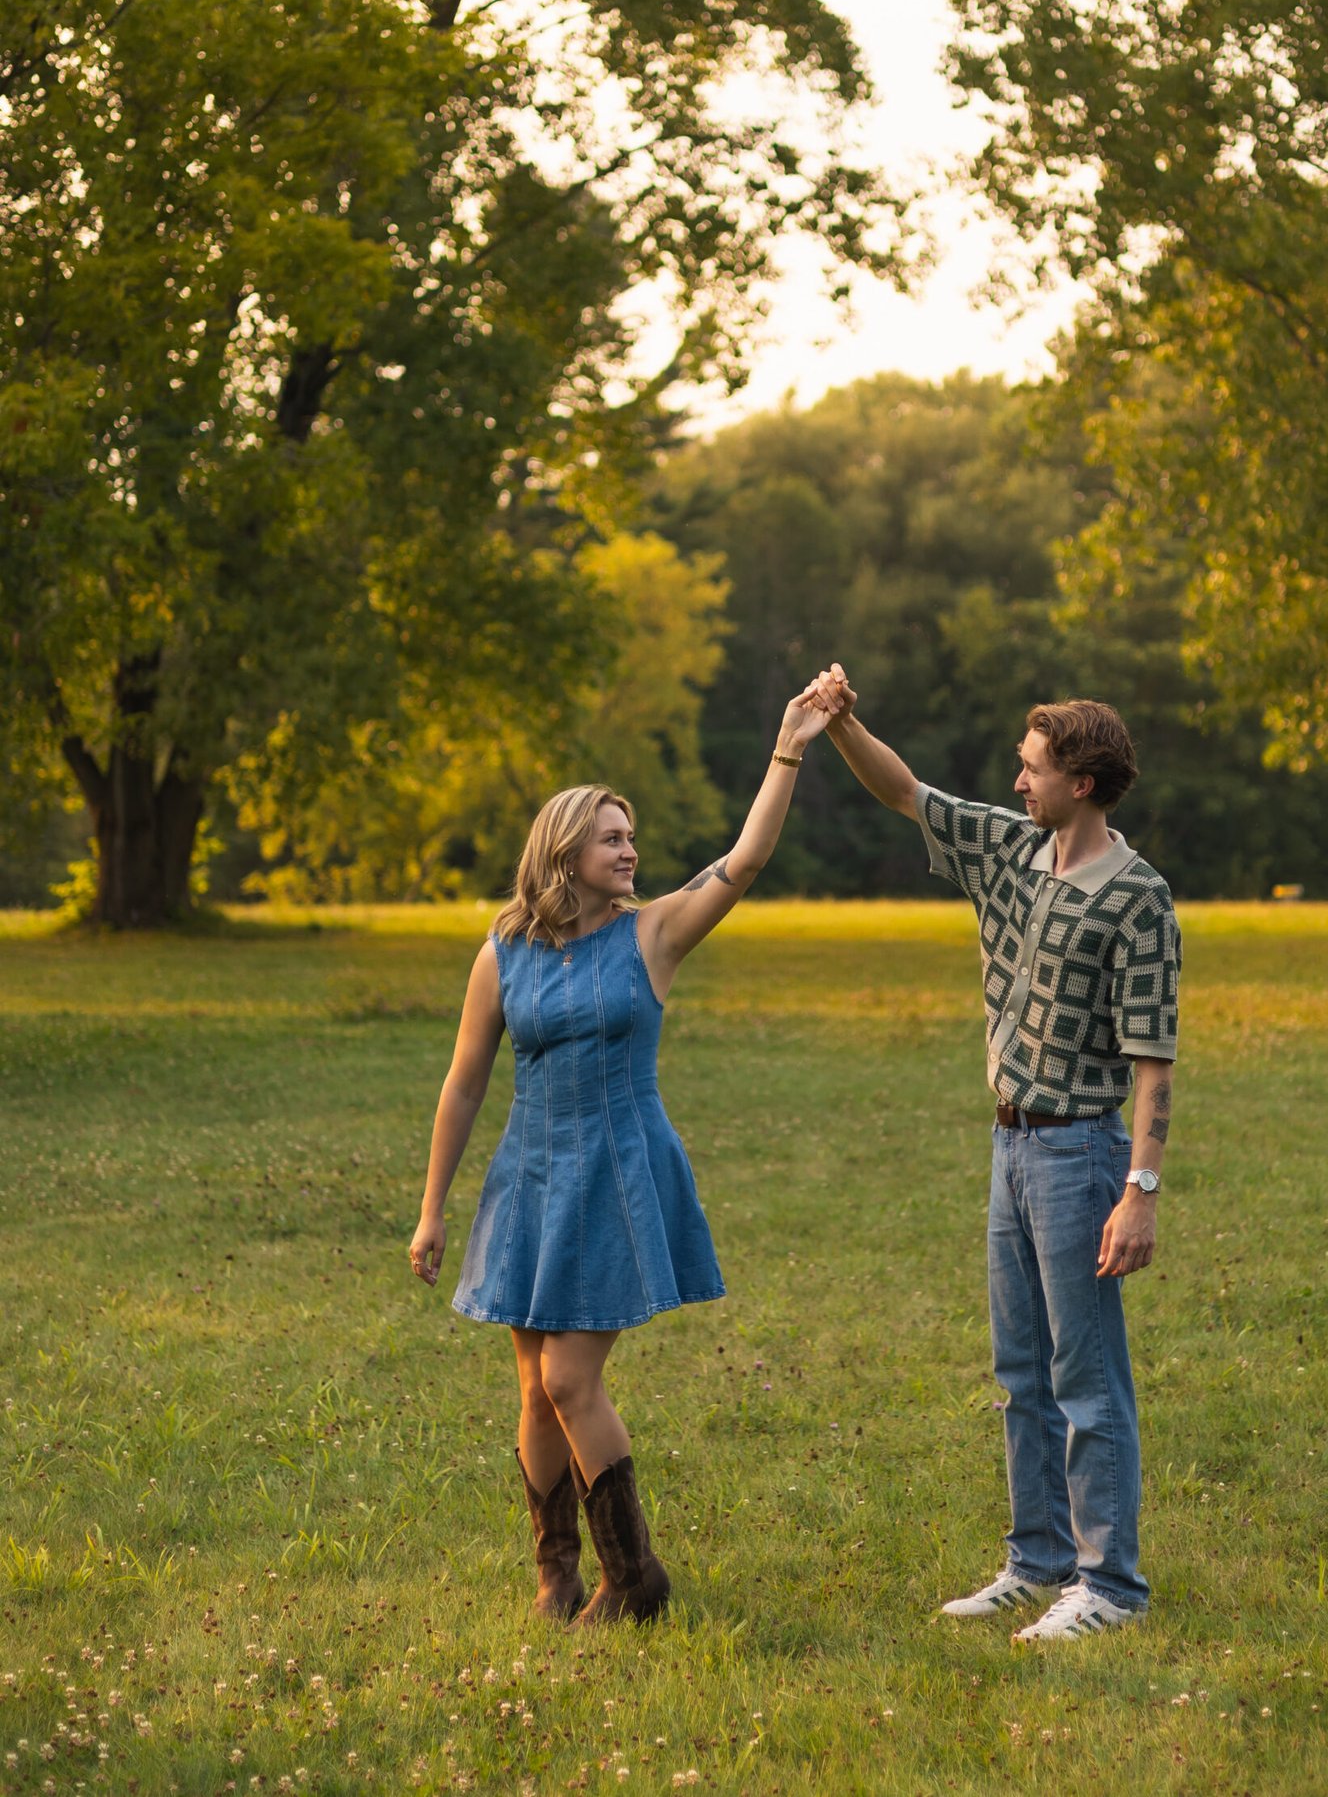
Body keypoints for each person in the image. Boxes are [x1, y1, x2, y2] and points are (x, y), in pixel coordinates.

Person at [407, 690, 836, 1625]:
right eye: (611, 838)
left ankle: (634, 1578)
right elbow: (465, 1084)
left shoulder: (654, 932)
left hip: (617, 1169)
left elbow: (747, 859)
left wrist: (789, 746)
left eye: (630, 835)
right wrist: (433, 1207)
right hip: (531, 1175)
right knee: (532, 1384)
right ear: (564, 852)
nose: (630, 850)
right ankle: (554, 1573)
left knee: (570, 1379)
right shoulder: (503, 953)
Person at [802, 664, 1179, 1644]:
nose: (1018, 783)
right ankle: (1038, 1561)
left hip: (1081, 1154)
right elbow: (903, 792)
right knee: (1021, 1372)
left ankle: (1110, 1586)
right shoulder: (1011, 851)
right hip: (1009, 1149)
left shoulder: (1136, 899)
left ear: (1081, 782)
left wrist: (1138, 1190)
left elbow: (1153, 1064)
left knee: (1086, 1378)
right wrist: (843, 721)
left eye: (1033, 768)